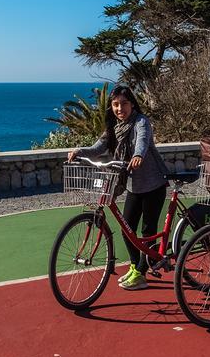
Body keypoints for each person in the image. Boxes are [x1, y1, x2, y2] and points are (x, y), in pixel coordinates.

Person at [67, 85, 168, 291]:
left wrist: (138, 155)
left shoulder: (141, 121)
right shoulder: (114, 127)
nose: (119, 108)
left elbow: (143, 140)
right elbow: (98, 148)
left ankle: (140, 274)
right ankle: (134, 267)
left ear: (132, 104)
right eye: (115, 104)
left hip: (153, 185)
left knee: (147, 232)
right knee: (127, 229)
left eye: (123, 103)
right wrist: (79, 151)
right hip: (133, 185)